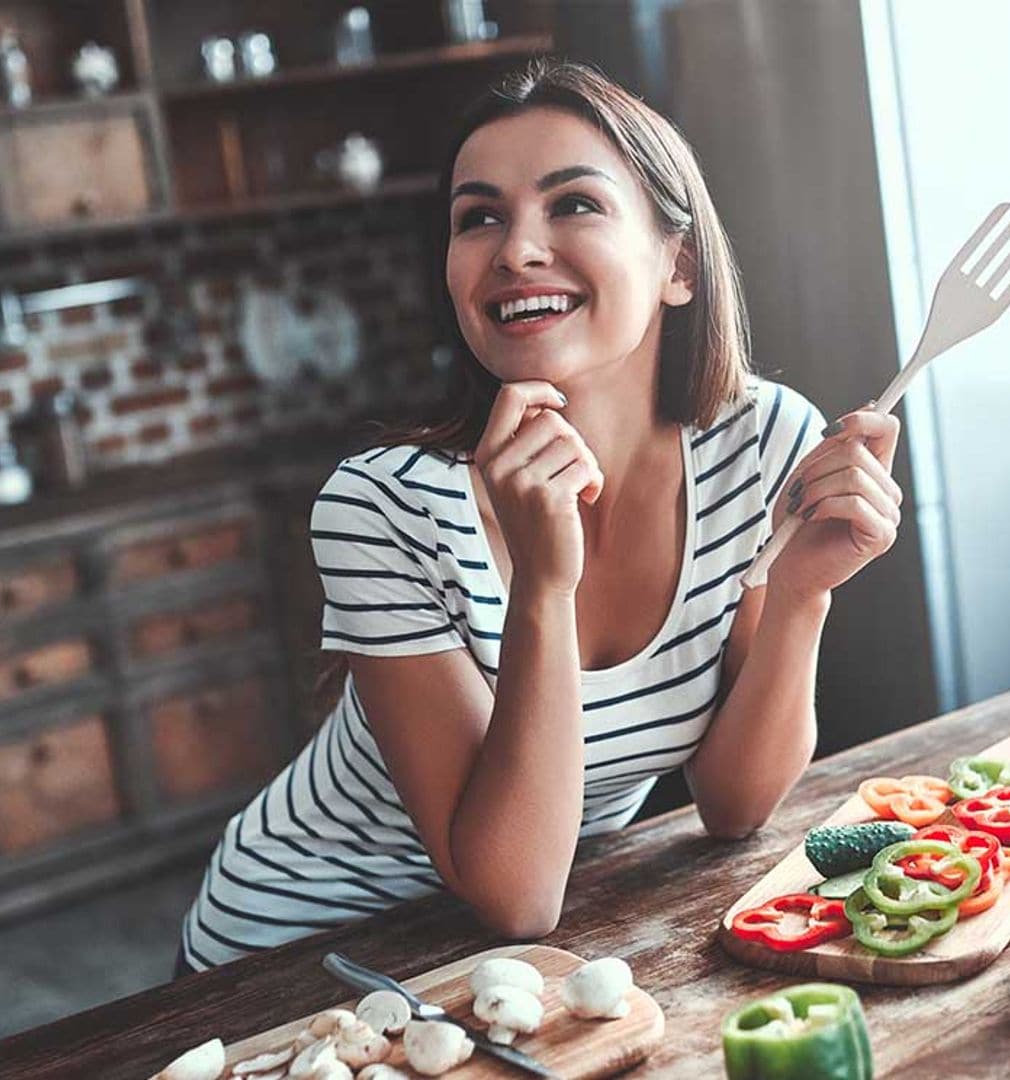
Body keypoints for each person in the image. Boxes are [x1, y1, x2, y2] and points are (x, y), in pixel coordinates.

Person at [176, 58, 902, 973]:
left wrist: (800, 594)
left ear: (677, 263)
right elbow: (515, 893)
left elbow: (734, 803)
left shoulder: (760, 443)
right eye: (479, 216)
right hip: (294, 950)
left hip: (536, 942)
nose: (516, 248)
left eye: (574, 205)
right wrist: (545, 587)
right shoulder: (382, 506)